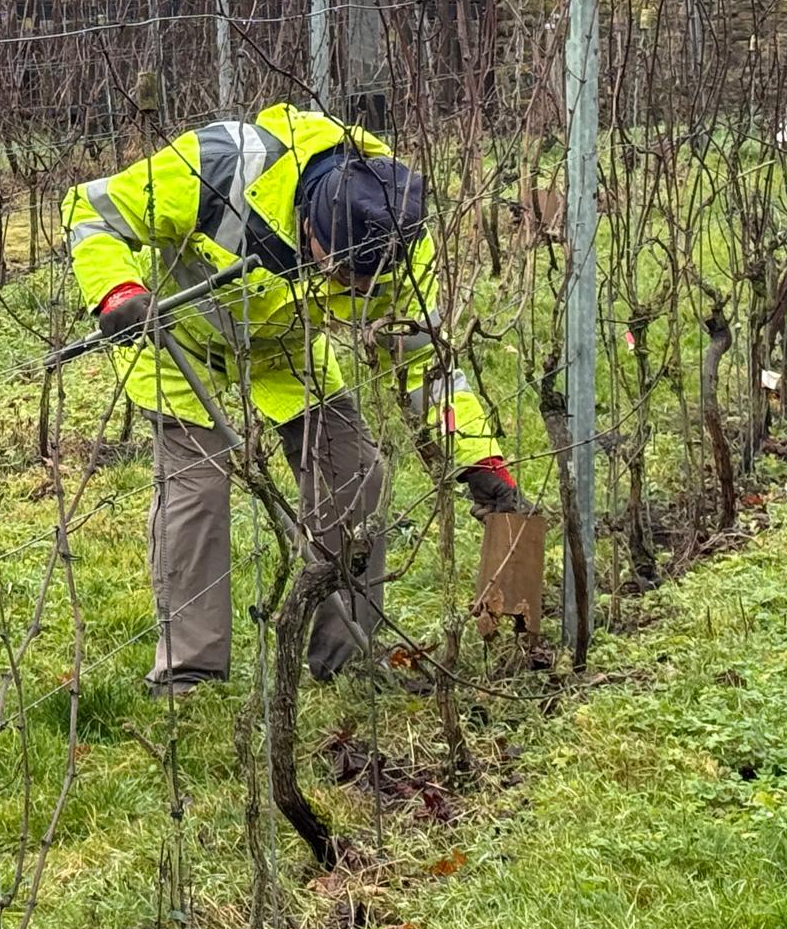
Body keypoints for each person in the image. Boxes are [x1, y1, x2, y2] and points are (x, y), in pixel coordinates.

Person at [61, 102, 531, 695]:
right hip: (180, 343)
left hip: (284, 352)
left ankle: (345, 659)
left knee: (357, 473)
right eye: (343, 275)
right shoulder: (218, 165)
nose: (355, 289)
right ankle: (190, 672)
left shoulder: (400, 235)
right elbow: (91, 209)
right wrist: (115, 291)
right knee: (196, 491)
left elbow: (421, 362)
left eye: (365, 283)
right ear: (311, 223)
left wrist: (479, 460)